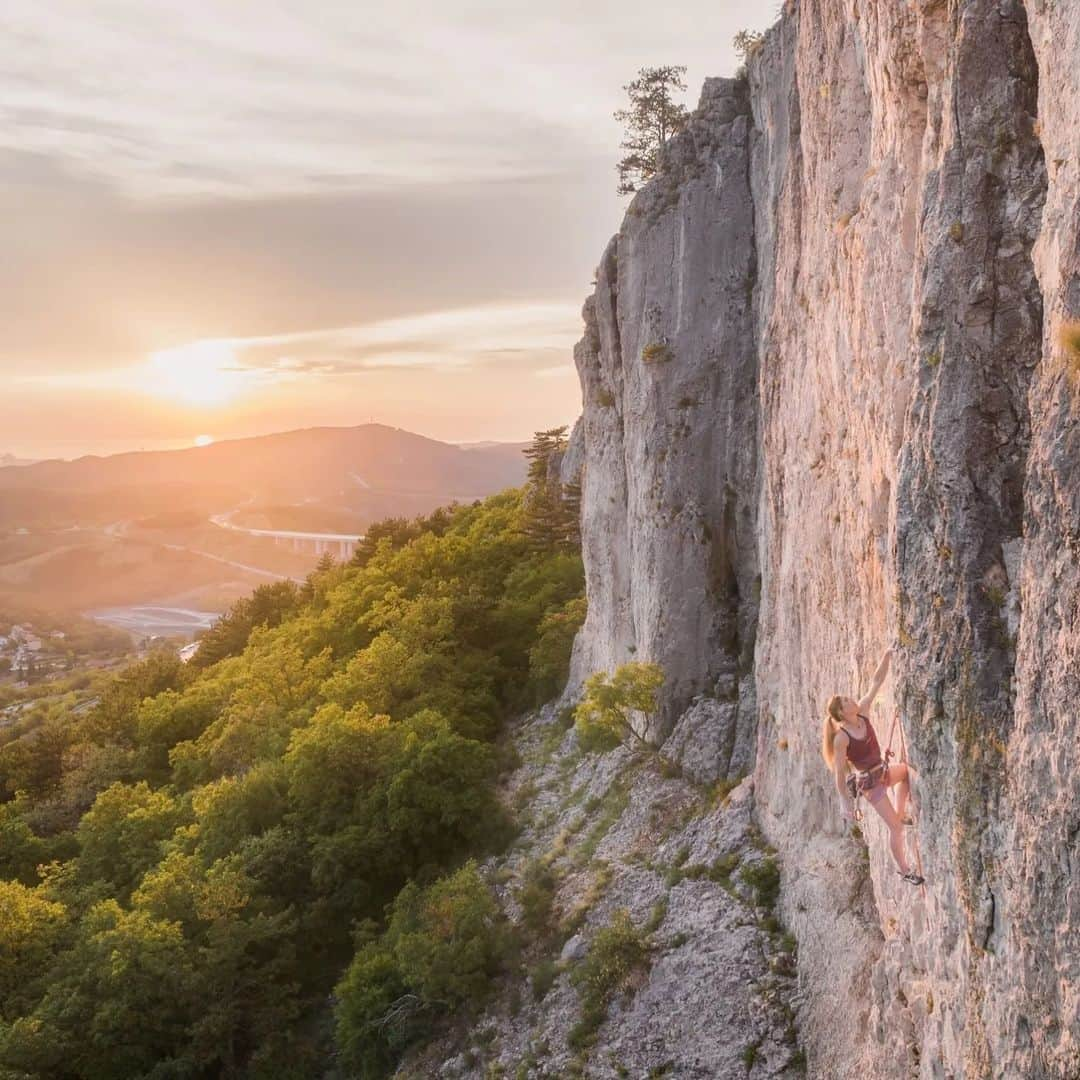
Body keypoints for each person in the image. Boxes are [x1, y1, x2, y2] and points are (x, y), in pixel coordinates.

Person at [822, 648, 925, 886]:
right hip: (870, 785)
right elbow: (839, 774)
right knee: (895, 830)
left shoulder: (863, 713)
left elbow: (876, 682)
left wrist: (887, 656)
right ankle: (905, 871)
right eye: (847, 701)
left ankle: (900, 813)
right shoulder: (842, 738)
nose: (852, 700)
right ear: (841, 712)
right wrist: (844, 801)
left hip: (883, 771)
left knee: (907, 773)